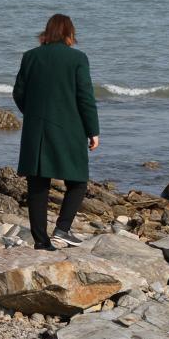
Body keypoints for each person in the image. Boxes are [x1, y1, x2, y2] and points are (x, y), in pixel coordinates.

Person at [13, 13, 100, 250]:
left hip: (36, 130)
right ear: (69, 33)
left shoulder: (30, 56)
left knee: (38, 184)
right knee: (78, 180)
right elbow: (85, 97)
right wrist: (93, 130)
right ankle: (62, 228)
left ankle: (41, 242)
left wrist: (32, 114)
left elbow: (18, 93)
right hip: (69, 129)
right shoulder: (78, 58)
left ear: (47, 32)